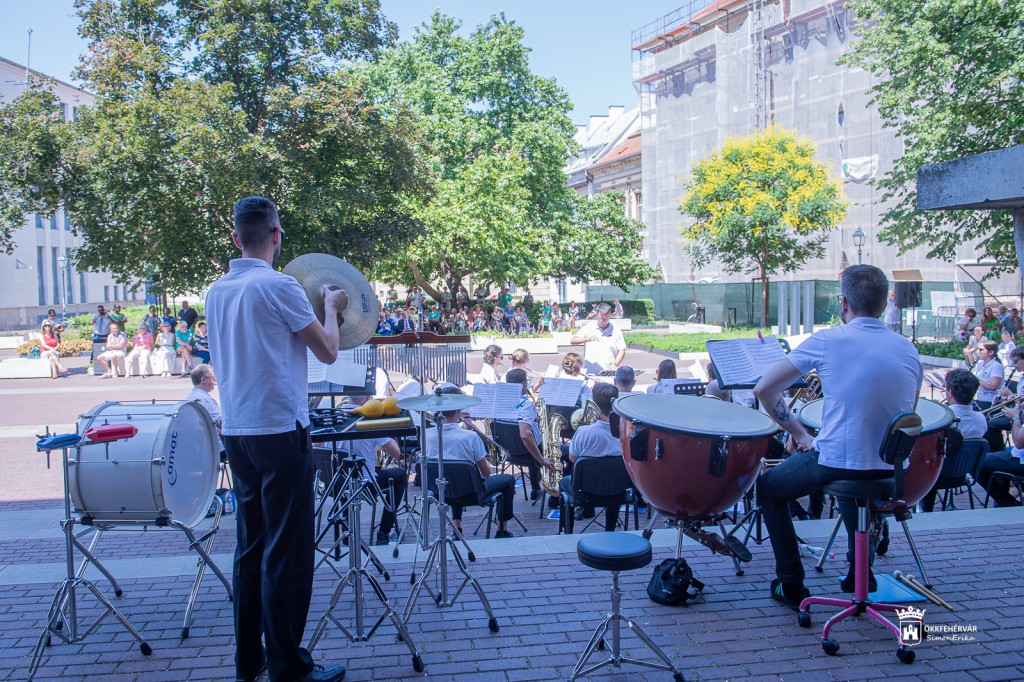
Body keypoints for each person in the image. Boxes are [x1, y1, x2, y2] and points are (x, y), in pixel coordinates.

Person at [207, 196, 349, 682]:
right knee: (286, 554)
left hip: (238, 430)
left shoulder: (217, 291)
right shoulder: (278, 284)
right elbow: (327, 351)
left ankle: (250, 662)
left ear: (235, 237)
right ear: (276, 234)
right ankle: (289, 668)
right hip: (280, 430)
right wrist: (331, 306)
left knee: (250, 548)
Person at [752, 265, 922, 610]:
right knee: (853, 475)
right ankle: (860, 573)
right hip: (891, 470)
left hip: (839, 461)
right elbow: (908, 413)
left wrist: (799, 433)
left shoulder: (828, 340)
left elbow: (764, 389)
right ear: (883, 304)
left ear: (844, 303)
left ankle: (791, 585)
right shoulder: (908, 349)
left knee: (769, 489)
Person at [424, 385, 517, 537]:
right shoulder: (470, 437)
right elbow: (486, 473)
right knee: (508, 480)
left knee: (449, 476)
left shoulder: (426, 435)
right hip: (472, 494)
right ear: (459, 409)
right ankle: (502, 530)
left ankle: (457, 529)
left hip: (440, 493)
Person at [339, 398, 408, 546]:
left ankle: (347, 530)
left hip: (335, 484)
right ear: (367, 398)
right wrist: (387, 434)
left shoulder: (334, 418)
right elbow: (396, 453)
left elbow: (318, 446)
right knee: (401, 475)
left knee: (346, 475)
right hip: (365, 484)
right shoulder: (368, 421)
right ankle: (384, 532)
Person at [919, 369, 986, 512]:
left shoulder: (940, 417)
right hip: (963, 472)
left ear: (949, 392)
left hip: (937, 474)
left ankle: (923, 508)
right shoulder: (981, 418)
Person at [560, 383, 623, 529]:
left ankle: (566, 530)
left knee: (564, 482)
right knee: (614, 479)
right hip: (619, 491)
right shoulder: (625, 431)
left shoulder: (583, 432)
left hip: (586, 492)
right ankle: (610, 529)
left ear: (595, 404)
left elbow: (573, 459)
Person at [500, 369, 555, 501]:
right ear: (523, 384)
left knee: (532, 441)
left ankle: (536, 488)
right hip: (528, 455)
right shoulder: (525, 405)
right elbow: (525, 435)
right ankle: (555, 495)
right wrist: (541, 460)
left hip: (508, 452)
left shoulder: (500, 403)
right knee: (558, 451)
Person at [978, 400, 1024, 507]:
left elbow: (1019, 442)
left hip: (1020, 460)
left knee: (975, 461)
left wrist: (1015, 418)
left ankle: (1006, 502)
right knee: (999, 460)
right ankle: (1005, 501)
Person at [571, 303, 626, 376]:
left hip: (608, 372)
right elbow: (573, 340)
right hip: (590, 373)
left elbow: (622, 349)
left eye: (606, 318)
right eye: (601, 318)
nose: (603, 321)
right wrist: (587, 339)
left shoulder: (616, 330)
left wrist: (615, 363)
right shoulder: (588, 328)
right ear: (596, 315)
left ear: (610, 315)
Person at [972, 340, 1003, 411]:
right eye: (977, 349)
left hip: (990, 402)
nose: (978, 352)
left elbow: (993, 386)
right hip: (980, 399)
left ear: (991, 352)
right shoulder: (979, 364)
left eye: (981, 350)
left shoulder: (996, 366)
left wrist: (974, 379)